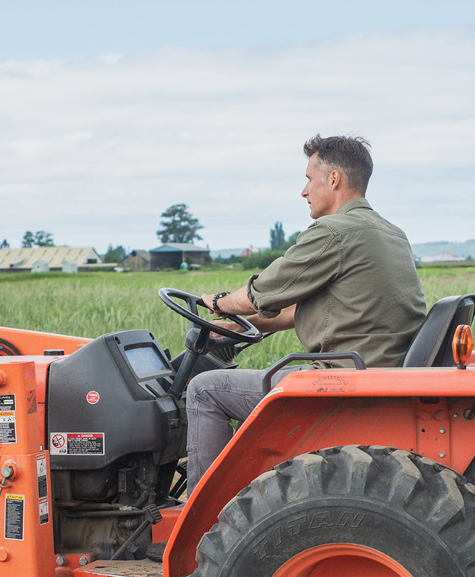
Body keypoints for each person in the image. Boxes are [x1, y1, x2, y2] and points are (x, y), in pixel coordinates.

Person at [182, 135, 426, 492]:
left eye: (309, 179)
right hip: (376, 368)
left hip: (343, 376)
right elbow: (299, 311)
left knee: (204, 389)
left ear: (334, 179)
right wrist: (238, 326)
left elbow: (261, 293)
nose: (304, 191)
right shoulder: (389, 232)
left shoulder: (334, 232)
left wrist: (216, 303)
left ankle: (201, 511)